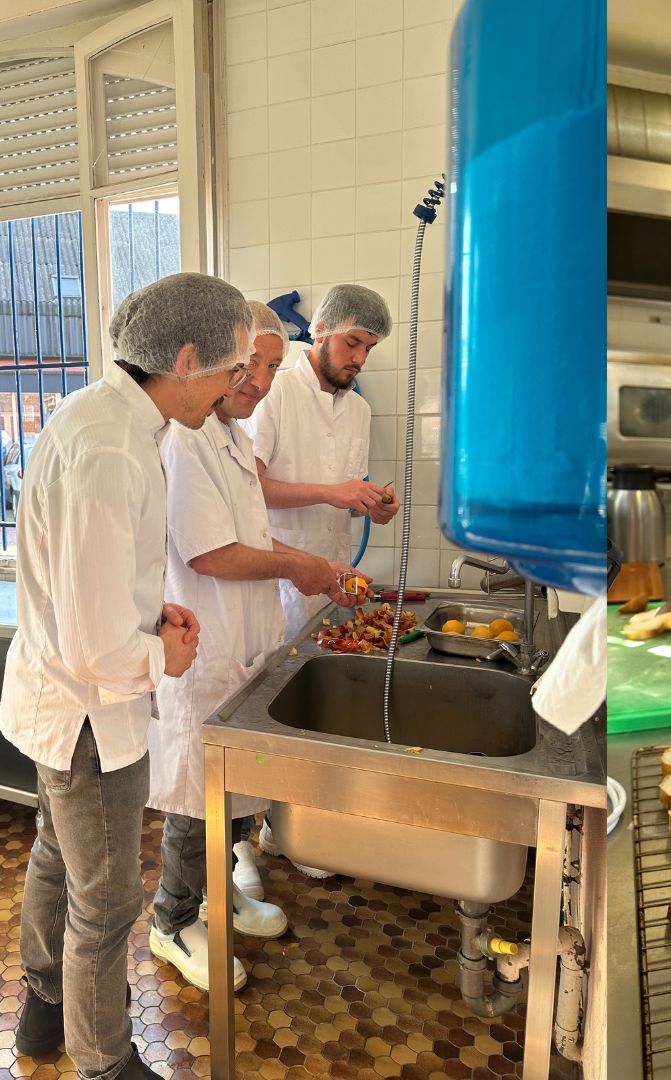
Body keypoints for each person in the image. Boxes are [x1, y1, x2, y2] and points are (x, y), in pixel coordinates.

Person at [1, 271, 250, 1080]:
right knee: (105, 902)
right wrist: (162, 655)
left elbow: (99, 593)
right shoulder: (111, 450)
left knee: (55, 855)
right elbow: (95, 647)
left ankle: (43, 1017)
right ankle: (104, 1060)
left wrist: (154, 621)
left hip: (60, 700)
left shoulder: (99, 418)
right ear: (184, 359)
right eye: (229, 371)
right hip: (87, 715)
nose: (233, 389)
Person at [145, 301, 364, 992]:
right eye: (249, 366)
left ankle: (219, 896)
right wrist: (304, 569)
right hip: (201, 648)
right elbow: (209, 553)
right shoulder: (185, 439)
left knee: (232, 791)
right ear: (217, 360)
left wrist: (320, 566)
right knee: (191, 801)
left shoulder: (234, 436)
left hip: (244, 644)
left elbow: (255, 536)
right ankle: (172, 919)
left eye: (271, 366)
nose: (261, 382)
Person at [239, 283, 394, 878]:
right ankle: (241, 847)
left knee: (306, 712)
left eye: (369, 349)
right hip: (269, 580)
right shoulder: (271, 392)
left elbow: (341, 494)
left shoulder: (359, 408)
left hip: (328, 586)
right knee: (260, 717)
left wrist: (368, 504)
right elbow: (246, 489)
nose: (359, 358)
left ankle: (288, 828)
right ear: (322, 331)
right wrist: (335, 492)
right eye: (353, 343)